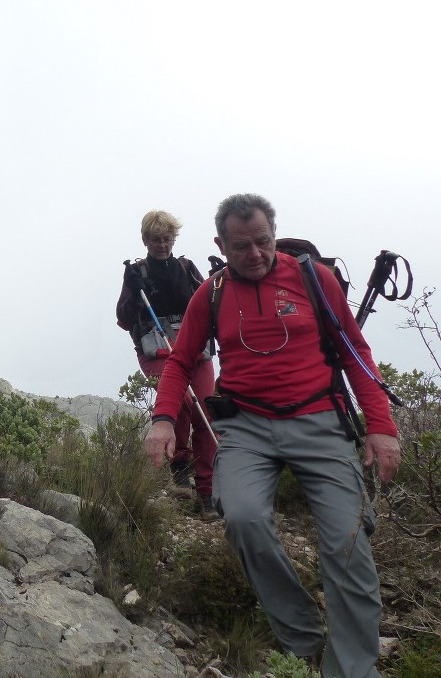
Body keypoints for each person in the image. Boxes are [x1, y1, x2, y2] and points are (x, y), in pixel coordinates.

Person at [145, 193, 401, 678]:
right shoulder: (213, 292)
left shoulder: (313, 279)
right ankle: (301, 637)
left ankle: (351, 670)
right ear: (221, 244)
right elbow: (180, 360)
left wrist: (381, 428)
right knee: (243, 518)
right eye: (242, 247)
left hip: (319, 422)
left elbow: (355, 353)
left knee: (346, 539)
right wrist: (162, 419)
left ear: (274, 234)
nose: (256, 254)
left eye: (263, 242)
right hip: (247, 428)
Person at [116, 210, 218, 520]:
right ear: (145, 240)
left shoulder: (186, 269)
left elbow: (210, 303)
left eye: (167, 238)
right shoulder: (137, 273)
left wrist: (219, 282)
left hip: (194, 349)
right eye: (156, 239)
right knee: (181, 402)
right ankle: (180, 467)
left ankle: (206, 492)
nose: (162, 244)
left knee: (206, 408)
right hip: (156, 351)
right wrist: (133, 291)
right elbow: (123, 319)